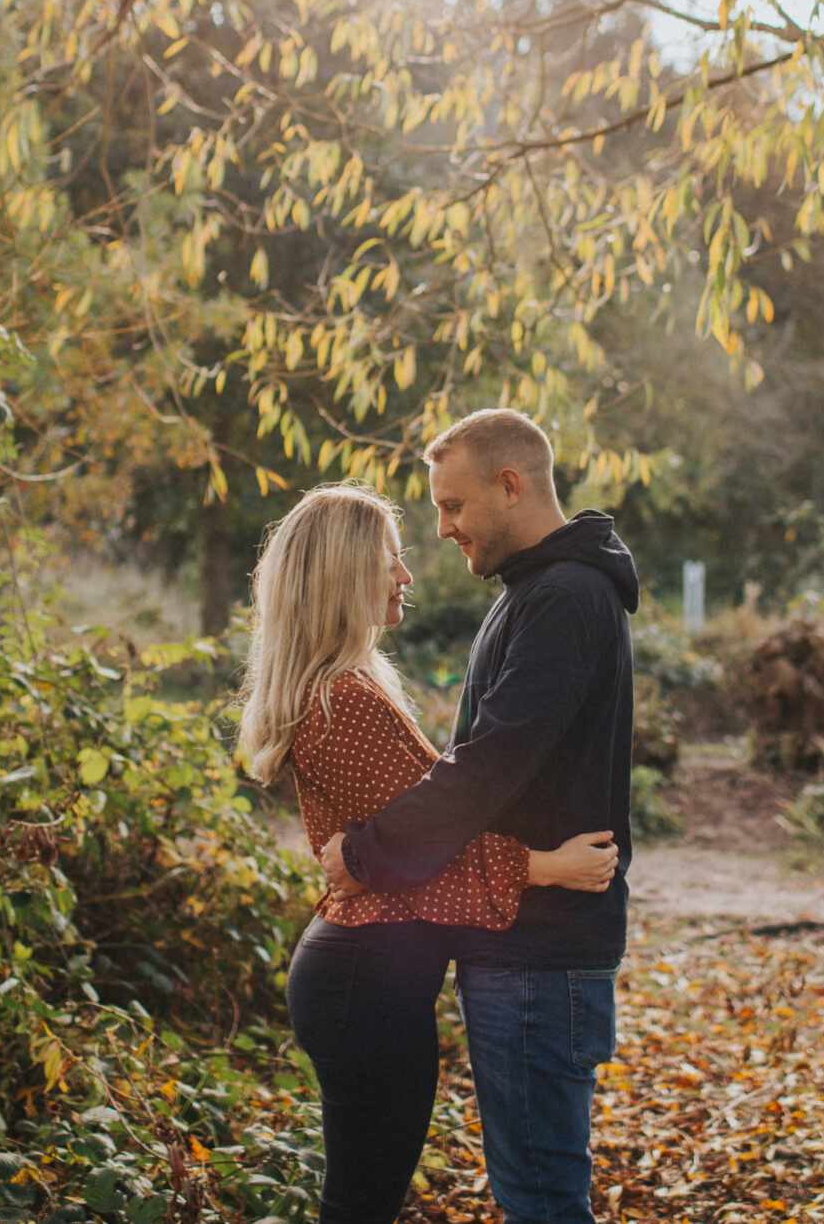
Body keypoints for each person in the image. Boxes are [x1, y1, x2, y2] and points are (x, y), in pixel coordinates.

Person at [238, 481, 619, 1224]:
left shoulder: (353, 685)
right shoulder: (340, 699)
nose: (405, 574)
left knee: (364, 1199)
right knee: (361, 1203)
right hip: (362, 986)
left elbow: (418, 832)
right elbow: (426, 851)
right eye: (390, 559)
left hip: (367, 981)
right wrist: (546, 866)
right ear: (343, 574)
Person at [318, 409, 637, 1224]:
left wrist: (368, 852)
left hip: (542, 950)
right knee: (534, 1190)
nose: (443, 527)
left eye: (454, 505)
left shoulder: (562, 597)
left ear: (511, 484)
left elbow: (487, 765)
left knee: (540, 1198)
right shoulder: (535, 591)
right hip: (524, 942)